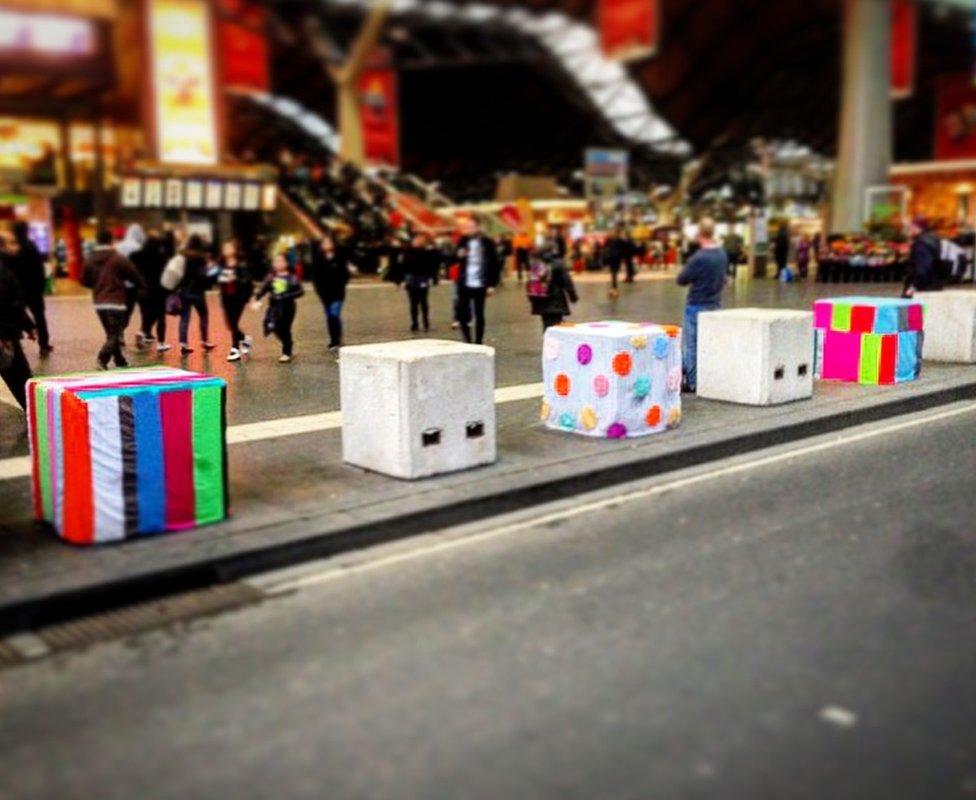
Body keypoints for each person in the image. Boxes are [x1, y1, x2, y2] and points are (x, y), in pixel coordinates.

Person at [676, 217, 728, 393]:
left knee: (691, 346)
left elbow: (681, 279)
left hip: (696, 306)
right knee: (709, 345)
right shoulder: (722, 254)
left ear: (700, 235)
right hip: (715, 305)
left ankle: (692, 383)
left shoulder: (699, 257)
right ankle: (709, 379)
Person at [83, 230, 146, 370]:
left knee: (111, 334)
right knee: (115, 334)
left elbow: (85, 280)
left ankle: (119, 360)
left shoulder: (89, 259)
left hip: (99, 302)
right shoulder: (117, 258)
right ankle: (102, 358)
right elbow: (134, 275)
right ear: (111, 241)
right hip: (115, 301)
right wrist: (141, 286)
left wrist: (97, 286)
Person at [454, 218, 500, 345]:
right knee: (462, 312)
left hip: (481, 282)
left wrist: (492, 284)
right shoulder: (463, 241)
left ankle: (479, 341)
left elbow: (494, 263)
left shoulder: (487, 242)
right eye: (467, 227)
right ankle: (467, 340)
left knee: (479, 313)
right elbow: (453, 258)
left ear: (478, 227)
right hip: (465, 282)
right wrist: (459, 255)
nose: (470, 230)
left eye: (472, 227)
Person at [0, 248, 36, 409]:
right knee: (20, 378)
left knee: (20, 379)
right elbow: (12, 302)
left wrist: (27, 325)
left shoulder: (5, 269)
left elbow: (14, 301)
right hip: (5, 335)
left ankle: (34, 414)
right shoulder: (4, 270)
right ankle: (35, 415)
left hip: (7, 333)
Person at [10, 221, 52, 357]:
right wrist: (40, 287)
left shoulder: (11, 249)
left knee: (16, 316)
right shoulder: (32, 247)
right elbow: (39, 270)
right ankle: (44, 344)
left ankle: (17, 345)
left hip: (17, 291)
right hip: (33, 291)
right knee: (40, 317)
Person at [253, 253, 304, 363]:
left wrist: (286, 296)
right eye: (276, 261)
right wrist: (257, 298)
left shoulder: (292, 277)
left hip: (288, 307)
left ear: (286, 263)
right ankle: (288, 342)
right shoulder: (271, 277)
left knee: (285, 328)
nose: (278, 263)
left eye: (281, 261)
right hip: (274, 308)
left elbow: (300, 292)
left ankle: (286, 352)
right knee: (274, 327)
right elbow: (264, 289)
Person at [129, 227, 170, 352]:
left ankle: (144, 333)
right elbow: (164, 272)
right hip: (158, 290)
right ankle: (161, 343)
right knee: (160, 317)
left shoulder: (135, 255)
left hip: (141, 289)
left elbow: (131, 271)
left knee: (146, 314)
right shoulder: (161, 256)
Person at [176, 235, 218, 355]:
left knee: (184, 318)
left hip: (184, 291)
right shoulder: (201, 258)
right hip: (198, 292)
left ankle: (183, 343)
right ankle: (204, 341)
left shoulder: (182, 256)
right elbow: (203, 275)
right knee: (204, 316)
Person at [310, 234, 350, 351]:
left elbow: (345, 274)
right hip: (325, 294)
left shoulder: (339, 257)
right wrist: (319, 291)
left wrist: (341, 282)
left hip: (338, 293)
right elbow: (315, 277)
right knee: (329, 317)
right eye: (324, 243)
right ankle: (334, 340)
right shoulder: (318, 259)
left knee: (334, 314)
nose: (327, 245)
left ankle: (337, 340)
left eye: (329, 242)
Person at [216, 239, 254, 362]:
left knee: (233, 322)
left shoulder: (241, 264)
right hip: (226, 297)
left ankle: (234, 349)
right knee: (230, 324)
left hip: (239, 298)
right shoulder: (221, 264)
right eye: (224, 247)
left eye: (228, 247)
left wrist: (235, 278)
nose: (226, 250)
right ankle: (245, 339)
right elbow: (219, 280)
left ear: (234, 249)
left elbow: (248, 281)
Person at [527, 243, 578, 331]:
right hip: (556, 301)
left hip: (540, 300)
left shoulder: (537, 263)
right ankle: (551, 344)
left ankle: (547, 342)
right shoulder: (558, 263)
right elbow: (567, 282)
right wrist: (573, 297)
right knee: (555, 327)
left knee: (546, 325)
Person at [397, 232, 439, 332]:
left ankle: (426, 322)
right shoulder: (407, 252)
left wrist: (433, 278)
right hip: (411, 279)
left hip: (423, 278)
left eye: (421, 240)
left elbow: (432, 266)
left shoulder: (428, 252)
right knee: (413, 303)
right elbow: (403, 267)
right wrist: (401, 280)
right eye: (416, 240)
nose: (418, 242)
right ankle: (414, 322)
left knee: (424, 302)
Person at [903, 218, 942, 297]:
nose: (907, 230)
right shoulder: (931, 239)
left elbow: (923, 269)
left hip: (923, 289)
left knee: (911, 309)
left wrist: (913, 287)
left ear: (916, 227)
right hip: (932, 285)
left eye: (909, 227)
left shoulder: (921, 243)